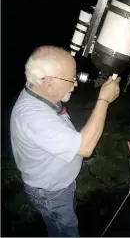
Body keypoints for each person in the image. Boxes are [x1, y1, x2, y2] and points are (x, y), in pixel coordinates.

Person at [10, 45, 121, 237]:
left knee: (64, 222)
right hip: (50, 193)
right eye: (71, 78)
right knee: (65, 231)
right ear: (49, 82)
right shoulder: (33, 116)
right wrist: (103, 100)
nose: (75, 83)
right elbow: (85, 147)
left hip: (59, 185)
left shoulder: (40, 93)